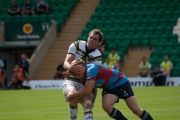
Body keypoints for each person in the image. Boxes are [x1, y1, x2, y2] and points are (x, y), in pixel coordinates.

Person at [65, 58, 153, 120]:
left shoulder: (91, 70)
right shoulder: (83, 74)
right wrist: (70, 72)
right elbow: (92, 89)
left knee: (135, 110)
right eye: (74, 73)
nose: (76, 74)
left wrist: (71, 95)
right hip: (109, 87)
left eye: (77, 71)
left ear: (83, 67)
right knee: (106, 106)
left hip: (120, 82)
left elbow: (87, 90)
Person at [62, 29, 104, 120]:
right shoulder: (76, 45)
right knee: (74, 96)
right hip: (71, 80)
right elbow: (66, 62)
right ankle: (73, 118)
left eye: (95, 39)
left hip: (84, 84)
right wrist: (70, 68)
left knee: (88, 105)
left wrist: (94, 97)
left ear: (99, 42)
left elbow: (92, 77)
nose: (91, 40)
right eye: (90, 37)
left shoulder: (98, 56)